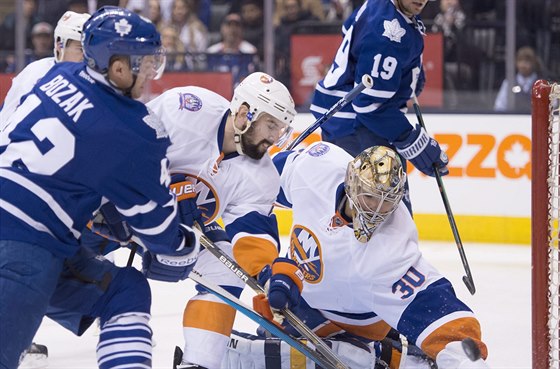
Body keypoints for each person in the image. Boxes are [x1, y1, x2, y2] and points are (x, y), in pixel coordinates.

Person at [0, 6, 202, 369]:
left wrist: (107, 209)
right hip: (23, 250)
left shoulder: (57, 74)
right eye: (145, 62)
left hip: (39, 237)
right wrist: (184, 248)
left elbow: (69, 161)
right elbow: (159, 232)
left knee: (124, 291)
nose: (152, 72)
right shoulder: (135, 130)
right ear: (119, 68)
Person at [220, 142, 490, 369]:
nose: (378, 209)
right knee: (275, 338)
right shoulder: (317, 167)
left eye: (387, 201)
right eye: (371, 197)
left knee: (348, 356)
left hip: (356, 320)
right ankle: (389, 352)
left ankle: (386, 353)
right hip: (297, 296)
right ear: (351, 181)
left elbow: (431, 302)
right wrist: (223, 186)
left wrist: (461, 352)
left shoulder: (392, 247)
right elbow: (260, 183)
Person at [135, 72, 297, 369]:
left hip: (180, 231)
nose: (275, 138)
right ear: (245, 113)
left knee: (228, 270)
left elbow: (252, 234)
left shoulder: (262, 177)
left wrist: (267, 276)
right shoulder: (185, 109)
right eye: (271, 124)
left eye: (280, 128)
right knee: (69, 258)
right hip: (121, 209)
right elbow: (127, 148)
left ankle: (198, 363)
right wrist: (163, 196)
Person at [309, 0, 449, 213]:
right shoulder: (389, 35)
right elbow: (370, 106)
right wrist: (412, 140)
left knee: (354, 211)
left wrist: (407, 73)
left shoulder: (379, 4)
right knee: (391, 214)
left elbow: (349, 28)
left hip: (340, 117)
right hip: (358, 127)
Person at [0, 11, 91, 127]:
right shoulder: (35, 73)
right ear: (59, 45)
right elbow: (5, 120)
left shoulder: (97, 79)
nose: (87, 57)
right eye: (81, 49)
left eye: (91, 51)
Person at [493, 46, 541, 113]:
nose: (523, 65)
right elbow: (499, 107)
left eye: (526, 61)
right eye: (520, 61)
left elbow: (552, 106)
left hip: (535, 121)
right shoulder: (508, 83)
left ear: (533, 63)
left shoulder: (542, 85)